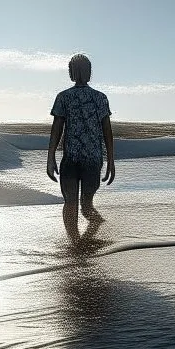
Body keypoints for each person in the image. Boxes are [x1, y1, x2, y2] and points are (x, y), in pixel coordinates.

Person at [47, 54, 115, 235]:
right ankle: (88, 239)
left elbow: (56, 130)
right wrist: (111, 161)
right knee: (86, 206)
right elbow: (107, 133)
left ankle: (76, 244)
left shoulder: (63, 97)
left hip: (72, 158)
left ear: (71, 72)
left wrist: (50, 156)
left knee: (70, 203)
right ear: (90, 73)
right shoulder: (100, 98)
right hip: (92, 159)